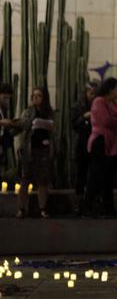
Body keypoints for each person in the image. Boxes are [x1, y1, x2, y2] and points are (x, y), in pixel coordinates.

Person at [83, 78, 117, 217]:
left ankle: (109, 208)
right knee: (96, 175)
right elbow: (106, 121)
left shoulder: (111, 104)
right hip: (100, 142)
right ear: (110, 89)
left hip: (111, 143)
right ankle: (87, 206)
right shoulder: (99, 101)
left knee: (109, 177)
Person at [11, 87, 55, 218]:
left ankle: (43, 208)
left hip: (44, 149)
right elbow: (23, 124)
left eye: (39, 96)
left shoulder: (49, 112)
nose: (35, 98)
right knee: (25, 179)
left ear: (44, 98)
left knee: (43, 180)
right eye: (33, 96)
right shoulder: (28, 111)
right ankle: (21, 208)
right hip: (30, 149)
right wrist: (30, 117)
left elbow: (53, 127)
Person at [71, 83, 96, 216]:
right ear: (85, 93)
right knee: (81, 176)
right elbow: (74, 125)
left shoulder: (99, 106)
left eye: (94, 93)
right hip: (82, 145)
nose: (92, 96)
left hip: (95, 145)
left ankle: (90, 203)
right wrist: (85, 117)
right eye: (90, 93)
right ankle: (79, 203)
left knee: (93, 176)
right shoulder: (78, 107)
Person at [0, 82, 15, 175]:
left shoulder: (3, 110)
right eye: (4, 98)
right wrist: (2, 122)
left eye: (8, 98)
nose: (7, 101)